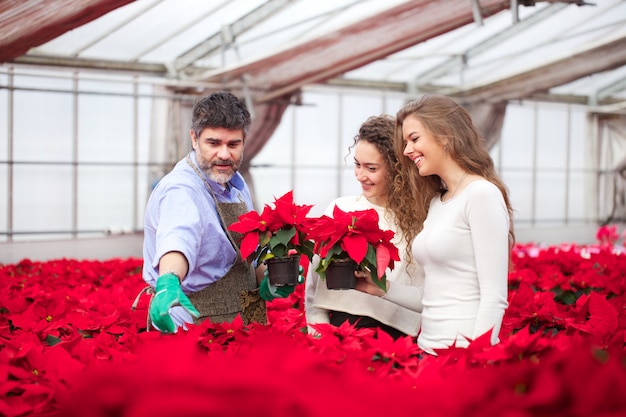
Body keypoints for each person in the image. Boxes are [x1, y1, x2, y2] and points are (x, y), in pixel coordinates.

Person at [355, 95, 514, 355]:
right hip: (427, 349)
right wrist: (380, 287)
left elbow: (494, 297)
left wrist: (475, 358)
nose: (406, 151)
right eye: (405, 142)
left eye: (414, 139)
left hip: (461, 354)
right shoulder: (438, 203)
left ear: (445, 136)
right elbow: (431, 297)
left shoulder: (480, 195)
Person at [141, 91, 296, 333]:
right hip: (197, 330)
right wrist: (169, 280)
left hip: (244, 324)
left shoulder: (236, 184)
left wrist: (268, 279)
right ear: (194, 138)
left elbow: (245, 251)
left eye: (233, 144)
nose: (224, 154)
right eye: (213, 143)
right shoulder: (181, 189)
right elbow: (179, 237)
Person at [304, 115, 425, 340]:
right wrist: (318, 332)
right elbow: (314, 283)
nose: (361, 175)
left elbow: (425, 292)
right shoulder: (341, 208)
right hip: (340, 332)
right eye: (357, 165)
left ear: (397, 168)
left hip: (397, 339)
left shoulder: (418, 220)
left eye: (371, 168)